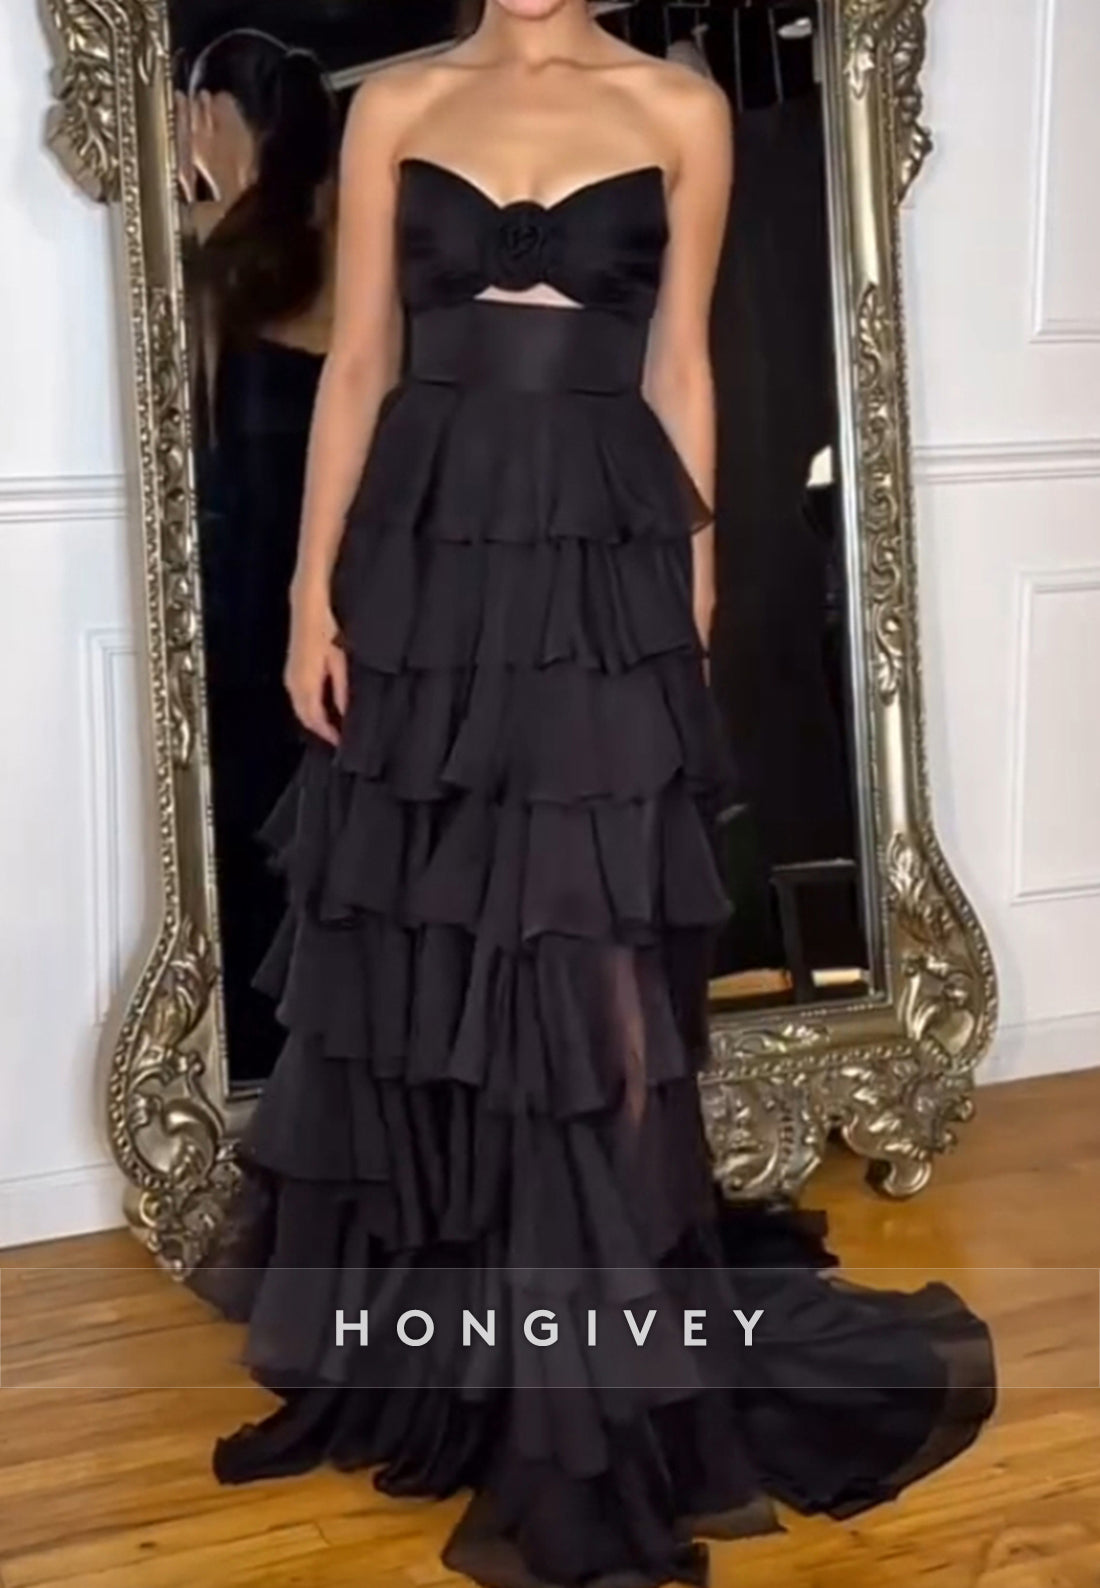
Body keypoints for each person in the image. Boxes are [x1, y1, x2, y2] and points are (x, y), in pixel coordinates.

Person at [189, 4, 997, 1586]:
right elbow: (360, 365)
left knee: (603, 964)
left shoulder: (679, 109)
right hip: (427, 552)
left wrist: (687, 603)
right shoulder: (395, 105)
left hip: (604, 560)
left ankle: (601, 1369)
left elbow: (681, 367)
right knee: (430, 931)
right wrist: (308, 597)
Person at [179, 31, 339, 1081]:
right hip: (335, 579)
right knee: (324, 834)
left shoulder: (211, 257)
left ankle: (260, 1067)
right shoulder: (341, 244)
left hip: (244, 589)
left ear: (212, 118)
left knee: (246, 835)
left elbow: (189, 438)